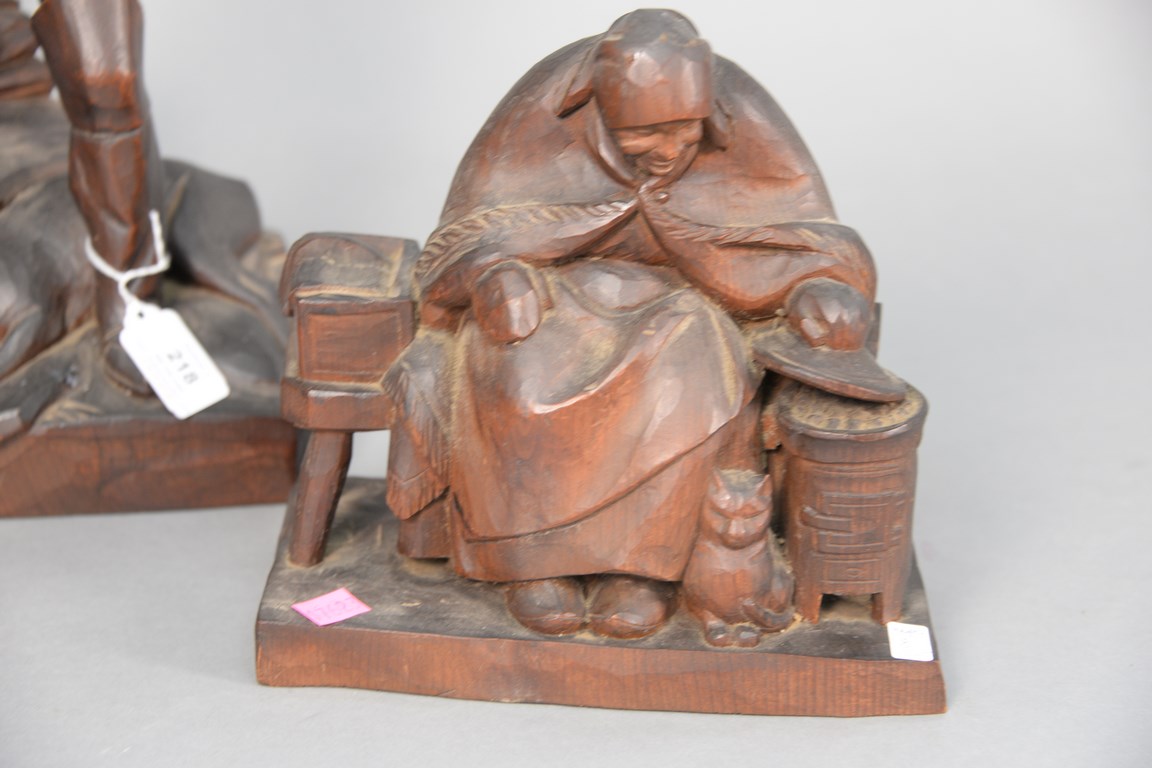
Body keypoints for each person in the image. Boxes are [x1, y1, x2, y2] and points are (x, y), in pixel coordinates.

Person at [384, 9, 879, 638]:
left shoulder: (745, 112)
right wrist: (493, 273)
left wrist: (819, 287)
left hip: (681, 302)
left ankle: (646, 568)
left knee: (698, 355)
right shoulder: (539, 112)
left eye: (685, 131)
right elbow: (464, 239)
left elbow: (811, 238)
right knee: (511, 359)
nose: (669, 151)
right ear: (601, 112)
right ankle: (530, 564)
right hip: (554, 296)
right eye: (645, 134)